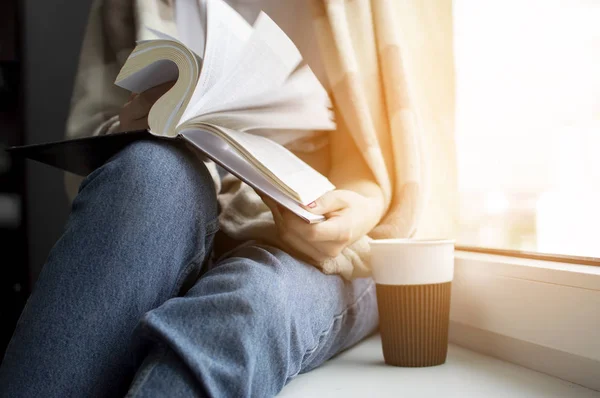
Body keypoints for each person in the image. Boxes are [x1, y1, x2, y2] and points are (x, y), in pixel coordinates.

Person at [0, 0, 385, 396]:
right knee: (148, 171)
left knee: (242, 305)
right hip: (180, 205)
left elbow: (384, 160)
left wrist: (352, 212)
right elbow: (94, 135)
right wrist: (132, 126)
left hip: (320, 236)